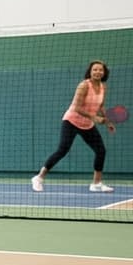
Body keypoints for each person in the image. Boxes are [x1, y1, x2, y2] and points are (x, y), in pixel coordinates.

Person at [31, 61, 115, 193]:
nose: (98, 72)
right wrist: (94, 118)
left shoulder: (104, 87)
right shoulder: (84, 86)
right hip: (71, 121)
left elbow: (101, 106)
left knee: (101, 150)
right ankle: (39, 177)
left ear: (104, 72)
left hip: (87, 125)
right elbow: (77, 107)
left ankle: (96, 183)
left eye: (100, 70)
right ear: (90, 72)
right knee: (62, 150)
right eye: (95, 70)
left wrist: (108, 121)